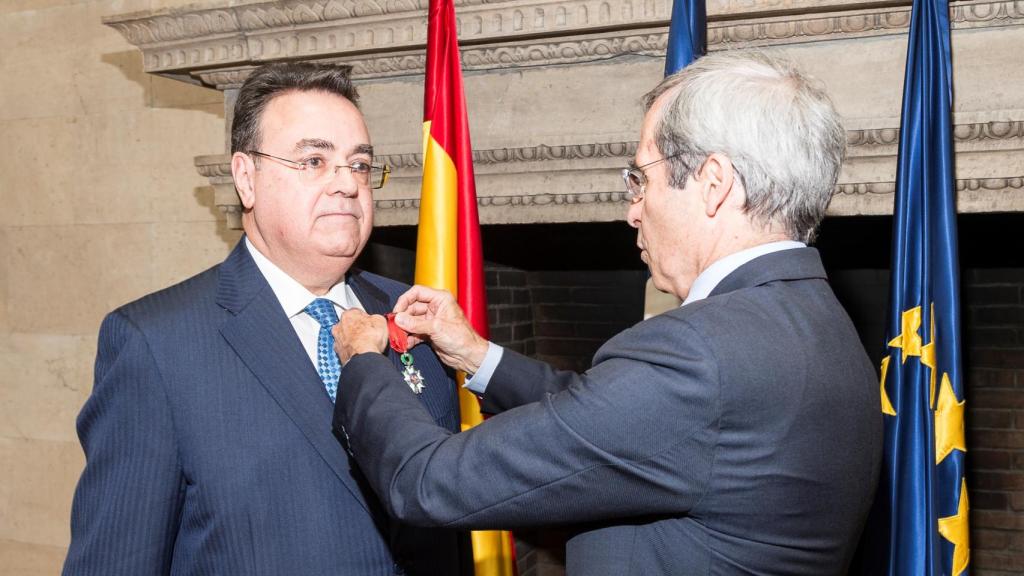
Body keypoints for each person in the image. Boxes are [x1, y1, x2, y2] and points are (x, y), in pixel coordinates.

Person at [331, 50, 883, 575]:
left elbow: (430, 482)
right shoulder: (824, 325)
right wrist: (475, 354)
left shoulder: (698, 353)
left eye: (641, 178)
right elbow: (610, 417)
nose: (632, 211)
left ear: (714, 184)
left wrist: (362, 360)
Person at [63, 63, 467, 576]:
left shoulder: (417, 316)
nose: (347, 184)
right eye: (315, 160)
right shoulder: (156, 344)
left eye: (360, 165)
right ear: (245, 178)